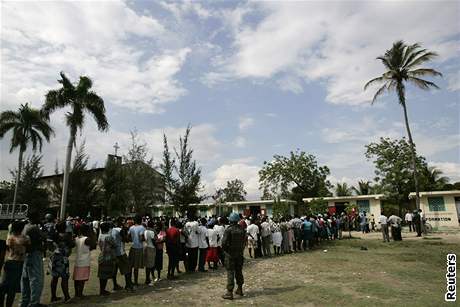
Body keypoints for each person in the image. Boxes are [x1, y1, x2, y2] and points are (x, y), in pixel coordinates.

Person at [1, 221, 29, 307]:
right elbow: (27, 247)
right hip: (18, 263)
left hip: (10, 261)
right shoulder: (25, 238)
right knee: (12, 289)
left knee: (4, 286)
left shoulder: (10, 238)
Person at [21, 214, 46, 307]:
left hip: (26, 254)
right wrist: (42, 226)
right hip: (34, 253)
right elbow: (44, 236)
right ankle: (34, 303)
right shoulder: (34, 228)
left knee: (25, 280)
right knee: (36, 280)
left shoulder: (25, 226)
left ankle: (25, 301)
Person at [221, 213, 246, 300]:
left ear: (230, 220)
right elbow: (244, 242)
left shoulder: (229, 230)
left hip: (230, 254)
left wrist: (226, 250)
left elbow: (223, 243)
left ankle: (229, 292)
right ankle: (240, 289)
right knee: (239, 271)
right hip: (239, 254)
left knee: (230, 272)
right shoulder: (242, 229)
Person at [73, 223, 96, 298]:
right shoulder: (87, 239)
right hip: (84, 261)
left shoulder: (77, 238)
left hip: (77, 261)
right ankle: (80, 294)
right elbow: (93, 246)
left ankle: (77, 293)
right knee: (82, 279)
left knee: (76, 279)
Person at [111, 217, 133, 291]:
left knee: (115, 270)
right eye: (124, 222)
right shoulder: (120, 230)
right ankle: (128, 285)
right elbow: (126, 240)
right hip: (120, 252)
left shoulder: (112, 229)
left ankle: (115, 285)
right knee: (127, 268)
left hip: (114, 252)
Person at [98, 221, 117, 296]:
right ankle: (103, 291)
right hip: (108, 257)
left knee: (101, 274)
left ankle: (101, 289)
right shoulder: (109, 237)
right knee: (105, 275)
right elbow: (114, 245)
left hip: (101, 256)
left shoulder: (100, 236)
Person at [128, 215, 145, 286]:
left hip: (133, 247)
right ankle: (135, 281)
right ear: (140, 220)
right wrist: (144, 238)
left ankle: (129, 281)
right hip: (139, 247)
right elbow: (141, 238)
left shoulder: (131, 228)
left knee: (130, 265)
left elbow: (128, 237)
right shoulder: (142, 227)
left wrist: (133, 239)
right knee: (136, 266)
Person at [143, 220, 156, 286]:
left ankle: (147, 278)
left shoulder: (145, 231)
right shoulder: (152, 232)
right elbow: (154, 241)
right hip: (151, 247)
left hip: (146, 247)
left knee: (147, 264)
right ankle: (148, 278)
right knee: (151, 264)